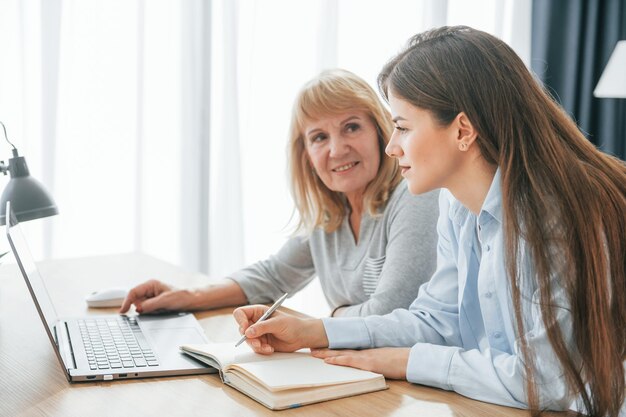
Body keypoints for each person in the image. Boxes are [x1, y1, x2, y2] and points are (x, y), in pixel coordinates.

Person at [233, 27, 626, 416]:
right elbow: (437, 319)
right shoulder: (457, 207)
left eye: (402, 127)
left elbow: (546, 381)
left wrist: (407, 362)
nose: (391, 147)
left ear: (462, 130)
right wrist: (316, 332)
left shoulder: (546, 213)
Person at [120, 69, 439, 317]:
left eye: (351, 127)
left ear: (380, 130)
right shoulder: (330, 216)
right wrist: (187, 296)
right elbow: (273, 276)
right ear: (306, 154)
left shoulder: (413, 196)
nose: (337, 149)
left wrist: (330, 318)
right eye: (319, 137)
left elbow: (393, 312)